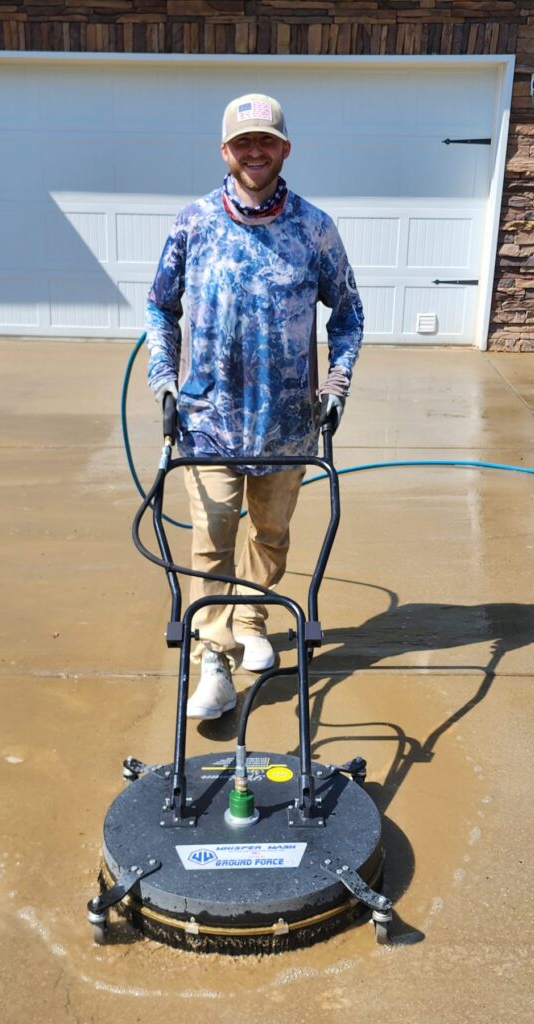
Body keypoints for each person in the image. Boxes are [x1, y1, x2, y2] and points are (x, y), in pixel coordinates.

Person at [145, 92, 363, 720]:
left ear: (284, 148)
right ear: (225, 151)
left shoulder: (315, 227)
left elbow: (348, 315)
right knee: (212, 540)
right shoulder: (193, 223)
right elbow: (161, 306)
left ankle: (252, 621)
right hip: (208, 419)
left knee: (270, 535)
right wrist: (164, 378)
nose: (255, 151)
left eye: (266, 140)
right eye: (243, 142)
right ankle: (211, 657)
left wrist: (336, 384)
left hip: (287, 422)